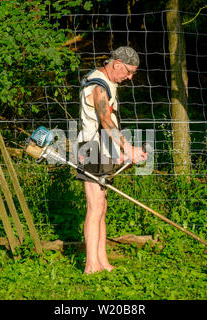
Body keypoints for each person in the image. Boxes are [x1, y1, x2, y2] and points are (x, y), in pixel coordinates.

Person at [76, 46, 147, 274]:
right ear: (117, 64)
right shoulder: (98, 85)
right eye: (128, 72)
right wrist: (129, 148)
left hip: (103, 148)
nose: (130, 77)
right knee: (94, 207)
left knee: (102, 207)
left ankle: (103, 261)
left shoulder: (108, 83)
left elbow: (110, 123)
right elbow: (105, 120)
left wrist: (123, 153)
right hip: (91, 149)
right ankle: (90, 265)